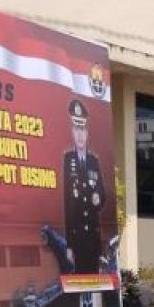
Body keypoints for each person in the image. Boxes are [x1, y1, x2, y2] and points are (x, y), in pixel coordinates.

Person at [62, 99, 107, 274]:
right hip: (77, 236)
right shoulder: (68, 159)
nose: (80, 134)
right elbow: (67, 202)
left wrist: (98, 199)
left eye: (83, 129)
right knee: (80, 280)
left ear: (87, 133)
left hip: (94, 236)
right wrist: (69, 244)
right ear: (72, 132)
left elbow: (102, 194)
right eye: (76, 129)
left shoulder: (93, 161)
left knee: (95, 280)